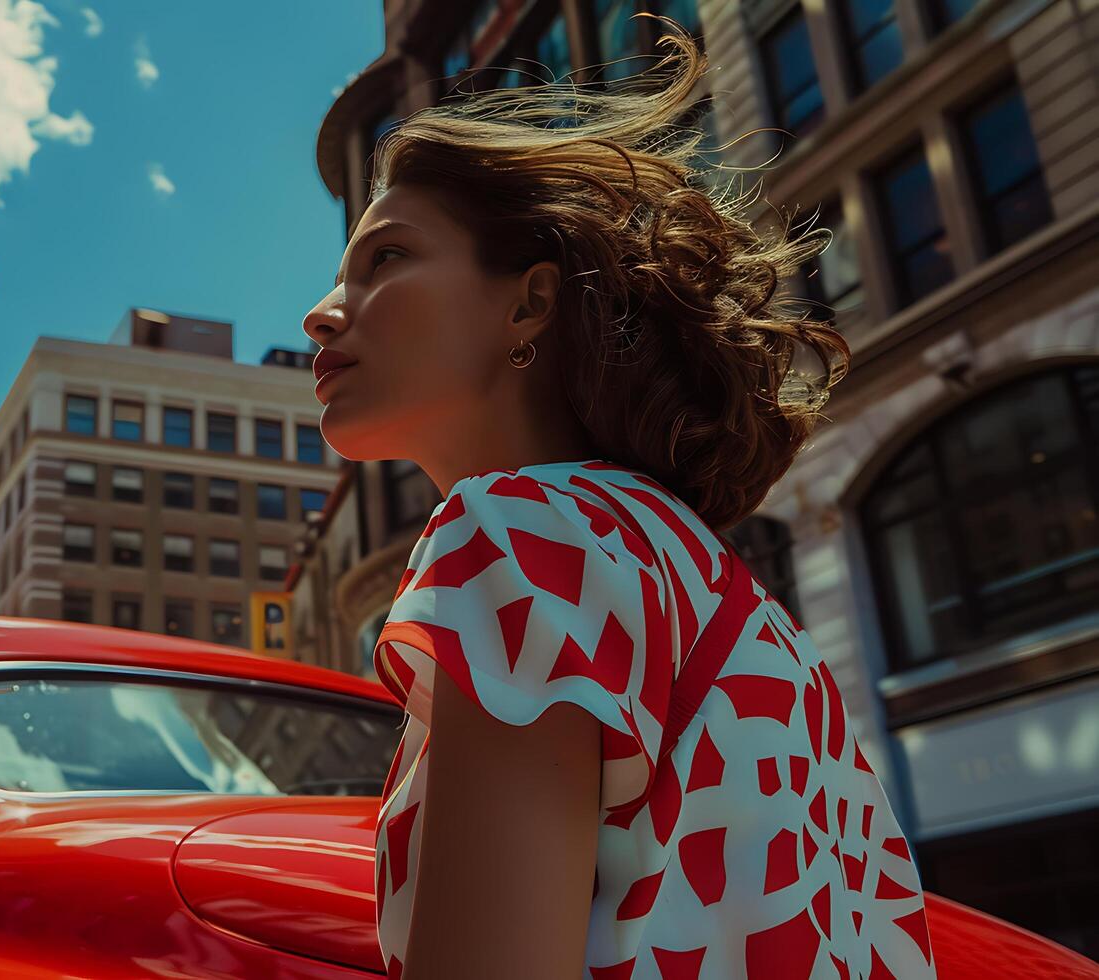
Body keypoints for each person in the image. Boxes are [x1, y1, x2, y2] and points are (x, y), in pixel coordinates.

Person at [300, 23, 934, 980]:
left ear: (528, 303)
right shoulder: (719, 593)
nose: (322, 308)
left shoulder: (517, 535)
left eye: (384, 259)